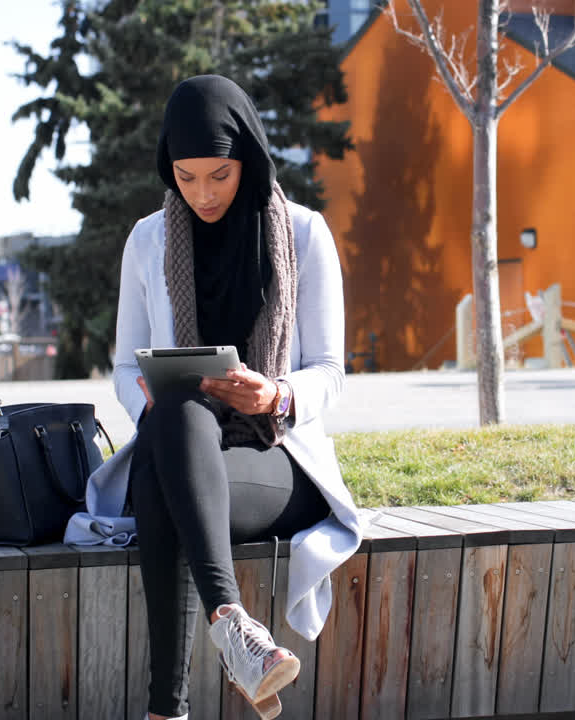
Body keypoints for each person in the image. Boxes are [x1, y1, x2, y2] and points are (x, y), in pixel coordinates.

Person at [68, 75, 366, 720]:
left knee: (163, 472)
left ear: (249, 160)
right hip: (188, 449)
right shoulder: (148, 240)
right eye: (186, 175)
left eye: (220, 175)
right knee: (173, 417)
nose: (202, 193)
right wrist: (147, 396)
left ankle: (168, 705)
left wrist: (276, 394)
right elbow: (123, 365)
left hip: (279, 460)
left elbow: (331, 370)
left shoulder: (305, 233)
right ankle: (235, 634)